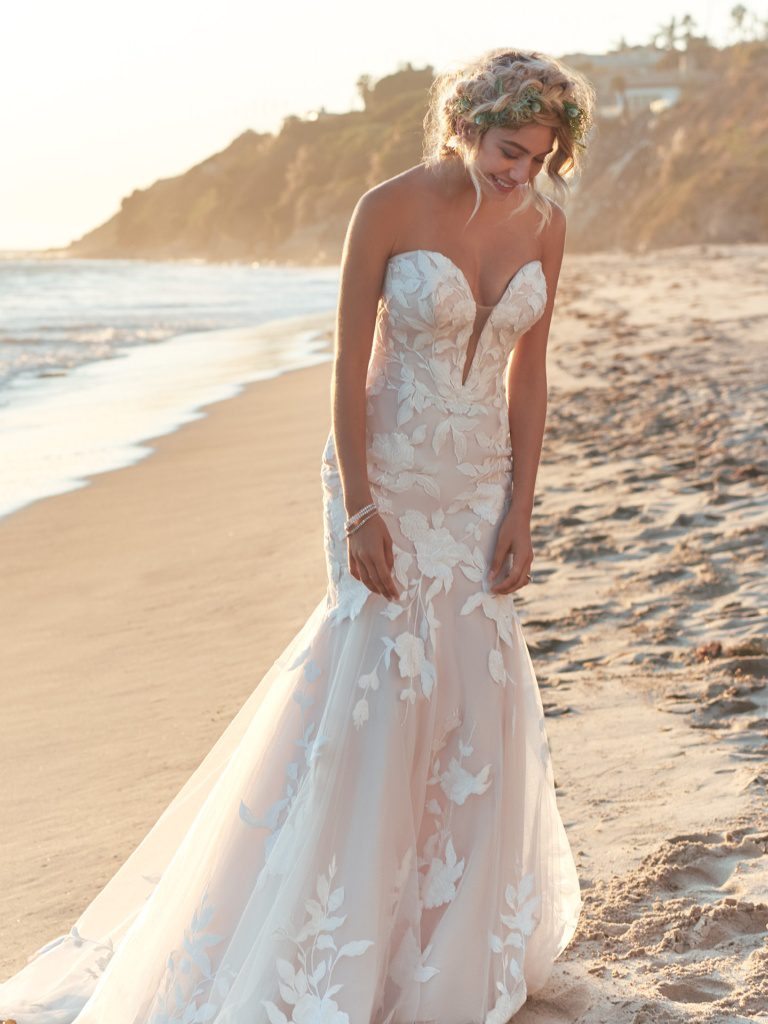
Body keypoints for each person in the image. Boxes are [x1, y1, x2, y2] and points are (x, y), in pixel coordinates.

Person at [0, 46, 596, 1024]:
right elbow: (345, 367)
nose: (518, 173)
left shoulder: (545, 226)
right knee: (374, 689)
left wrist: (523, 503)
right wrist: (359, 504)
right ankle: (328, 937)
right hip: (385, 477)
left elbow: (529, 375)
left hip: (476, 485)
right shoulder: (388, 209)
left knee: (473, 695)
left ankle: (441, 934)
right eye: (505, 150)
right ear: (464, 128)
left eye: (537, 157)